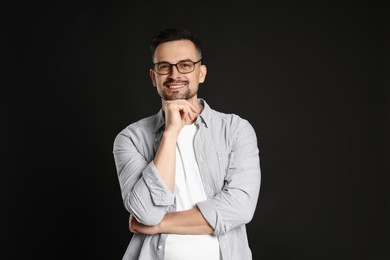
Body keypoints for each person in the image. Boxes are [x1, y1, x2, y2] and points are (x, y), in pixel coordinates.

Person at [112, 27, 261, 260]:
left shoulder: (235, 130)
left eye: (185, 65)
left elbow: (240, 207)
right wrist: (171, 133)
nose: (174, 75)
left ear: (201, 73)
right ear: (154, 77)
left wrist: (160, 225)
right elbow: (146, 213)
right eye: (164, 67)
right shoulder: (131, 138)